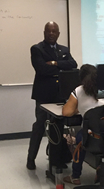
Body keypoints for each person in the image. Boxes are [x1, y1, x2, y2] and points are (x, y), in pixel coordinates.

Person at [28, 21, 77, 170]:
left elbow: (73, 64)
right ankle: (31, 158)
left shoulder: (64, 49)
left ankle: (56, 160)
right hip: (43, 95)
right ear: (44, 33)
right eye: (48, 31)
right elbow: (42, 70)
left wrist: (55, 63)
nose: (51, 34)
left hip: (60, 95)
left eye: (54, 31)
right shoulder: (37, 49)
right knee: (40, 126)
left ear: (58, 34)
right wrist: (61, 67)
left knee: (58, 127)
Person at [61, 64, 99, 185]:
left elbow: (66, 112)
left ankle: (75, 176)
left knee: (79, 138)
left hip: (89, 134)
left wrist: (79, 108)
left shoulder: (79, 90)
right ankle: (101, 169)